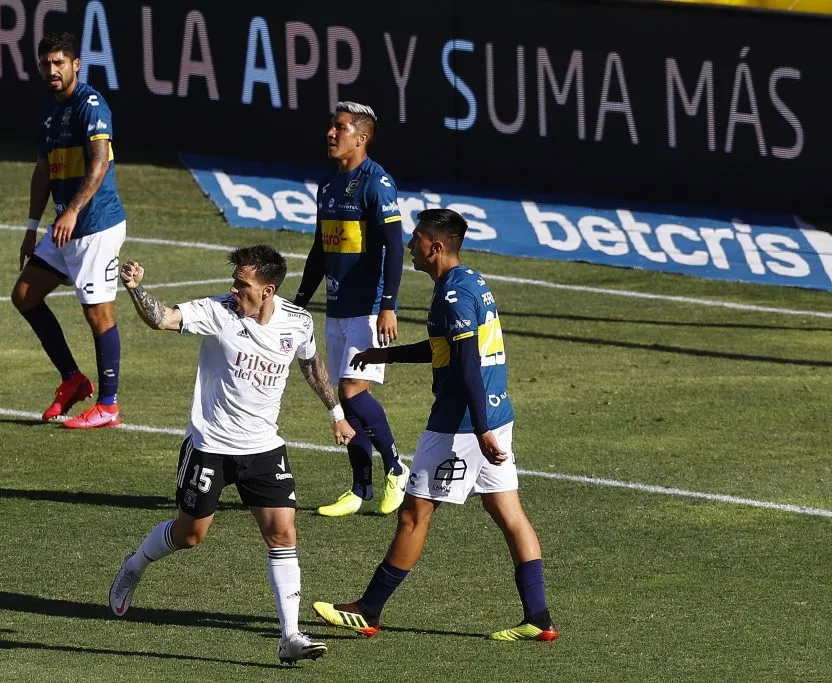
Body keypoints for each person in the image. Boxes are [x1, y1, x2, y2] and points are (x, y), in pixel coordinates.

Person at [312, 208, 558, 642]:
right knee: (508, 512)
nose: (410, 245)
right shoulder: (470, 282)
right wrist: (385, 355)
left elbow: (467, 364)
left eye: (418, 238)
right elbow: (446, 348)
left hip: (460, 426)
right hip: (495, 414)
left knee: (413, 514)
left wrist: (478, 429)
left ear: (436, 246)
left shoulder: (452, 295)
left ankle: (368, 610)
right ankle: (539, 618)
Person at [108, 245, 354, 664]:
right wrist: (135, 288)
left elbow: (311, 365)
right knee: (190, 536)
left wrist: (336, 414)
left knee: (283, 535)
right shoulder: (217, 311)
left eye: (242, 284)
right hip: (210, 447)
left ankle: (290, 636)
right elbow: (162, 318)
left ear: (268, 290)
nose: (233, 289)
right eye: (235, 282)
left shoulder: (297, 322)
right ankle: (135, 565)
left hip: (263, 448)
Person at [293, 101, 408, 517]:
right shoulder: (328, 185)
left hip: (368, 308)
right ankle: (360, 489)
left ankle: (397, 468)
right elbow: (320, 249)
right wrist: (300, 301)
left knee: (350, 391)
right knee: (348, 397)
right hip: (338, 306)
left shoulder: (377, 183)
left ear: (361, 138)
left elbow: (395, 246)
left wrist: (389, 305)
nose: (330, 133)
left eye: (339, 128)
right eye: (331, 126)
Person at [11, 31, 127, 429]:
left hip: (95, 226)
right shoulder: (49, 113)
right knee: (25, 295)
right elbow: (44, 171)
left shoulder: (90, 106)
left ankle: (108, 405)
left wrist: (73, 210)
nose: (52, 69)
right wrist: (31, 227)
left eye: (59, 62)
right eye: (46, 63)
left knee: (98, 313)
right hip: (65, 227)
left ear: (76, 64)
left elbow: (100, 162)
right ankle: (73, 379)